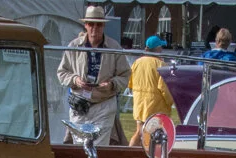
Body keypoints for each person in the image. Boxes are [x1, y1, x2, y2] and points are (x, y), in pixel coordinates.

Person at [57, 5, 131, 146]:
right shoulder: (74, 46)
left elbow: (125, 75)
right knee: (79, 148)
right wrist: (75, 80)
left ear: (103, 26)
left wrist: (111, 84)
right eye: (91, 24)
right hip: (79, 105)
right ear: (85, 25)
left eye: (99, 25)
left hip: (104, 104)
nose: (94, 28)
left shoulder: (114, 47)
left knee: (98, 148)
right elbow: (62, 73)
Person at [127, 35, 175, 146]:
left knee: (139, 133)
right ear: (157, 48)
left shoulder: (136, 63)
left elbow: (130, 84)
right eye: (161, 47)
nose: (162, 49)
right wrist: (171, 102)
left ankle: (129, 154)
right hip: (156, 107)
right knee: (157, 135)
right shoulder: (161, 65)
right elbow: (164, 88)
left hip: (139, 105)